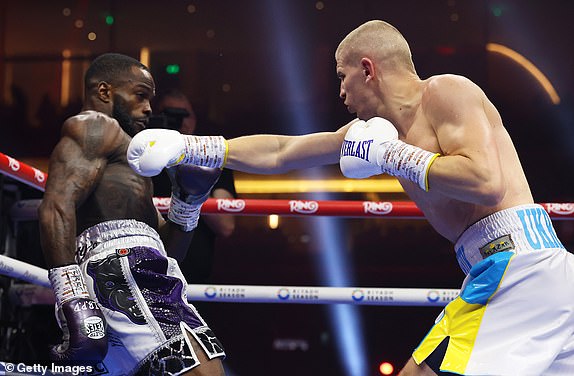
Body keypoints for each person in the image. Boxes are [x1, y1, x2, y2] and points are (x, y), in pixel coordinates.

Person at [127, 20, 574, 375]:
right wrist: (193, 147)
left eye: (342, 77)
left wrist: (395, 156)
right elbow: (284, 151)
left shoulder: (446, 91)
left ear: (367, 68)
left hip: (518, 267)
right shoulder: (372, 134)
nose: (340, 92)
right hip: (509, 271)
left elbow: (486, 182)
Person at [38, 53, 226, 375]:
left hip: (137, 269)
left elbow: (167, 251)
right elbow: (56, 206)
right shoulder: (95, 126)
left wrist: (187, 200)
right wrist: (73, 298)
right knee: (202, 369)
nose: (149, 108)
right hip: (121, 271)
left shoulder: (130, 154)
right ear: (105, 92)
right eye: (140, 95)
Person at [149, 89, 237, 284]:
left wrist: (194, 188)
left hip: (194, 277)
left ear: (194, 120)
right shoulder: (143, 159)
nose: (179, 121)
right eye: (170, 114)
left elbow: (226, 225)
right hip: (145, 271)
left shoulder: (211, 161)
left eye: (185, 115)